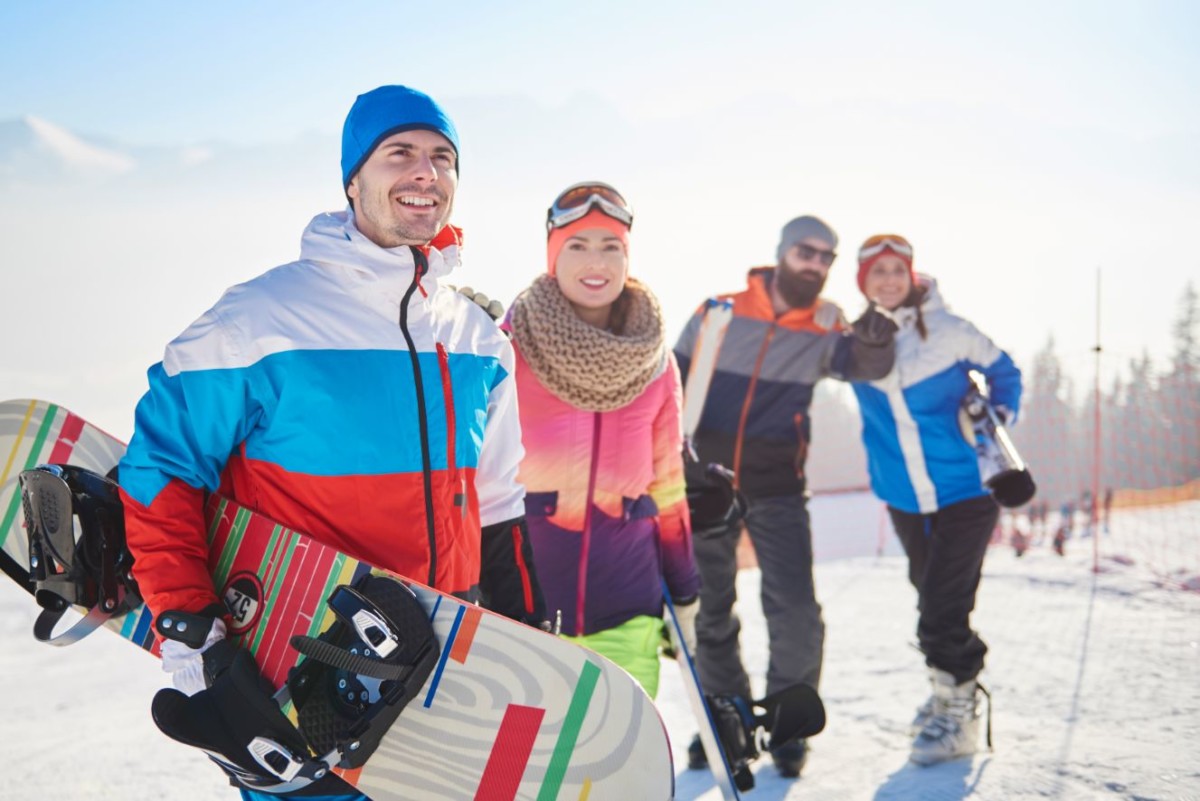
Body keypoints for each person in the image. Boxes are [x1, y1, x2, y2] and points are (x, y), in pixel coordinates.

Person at [117, 85, 546, 800]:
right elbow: (160, 463)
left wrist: (527, 636)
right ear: (352, 180)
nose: (424, 173)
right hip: (306, 679)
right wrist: (190, 628)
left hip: (448, 682)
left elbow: (498, 499)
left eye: (442, 157)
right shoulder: (261, 318)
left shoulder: (478, 342)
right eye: (398, 153)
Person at [674, 215, 898, 777]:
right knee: (710, 611)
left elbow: (867, 365)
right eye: (807, 252)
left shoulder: (826, 326)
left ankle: (787, 726)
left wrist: (871, 330)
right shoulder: (718, 311)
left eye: (827, 257)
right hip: (705, 483)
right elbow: (669, 382)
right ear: (780, 252)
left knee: (796, 610)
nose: (816, 265)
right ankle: (724, 719)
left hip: (777, 486)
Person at [502, 182, 700, 698]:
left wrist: (685, 590)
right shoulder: (505, 349)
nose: (597, 261)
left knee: (618, 771)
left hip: (627, 606)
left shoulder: (656, 364)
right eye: (578, 245)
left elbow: (669, 489)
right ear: (553, 255)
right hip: (523, 610)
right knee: (528, 770)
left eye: (611, 247)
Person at [849, 234, 1022, 766]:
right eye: (877, 272)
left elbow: (1005, 370)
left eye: (897, 270)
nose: (889, 280)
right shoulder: (853, 341)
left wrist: (996, 417)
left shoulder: (948, 329)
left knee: (943, 605)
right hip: (904, 496)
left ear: (911, 274)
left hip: (965, 489)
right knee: (929, 594)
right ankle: (946, 690)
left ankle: (961, 714)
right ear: (863, 282)